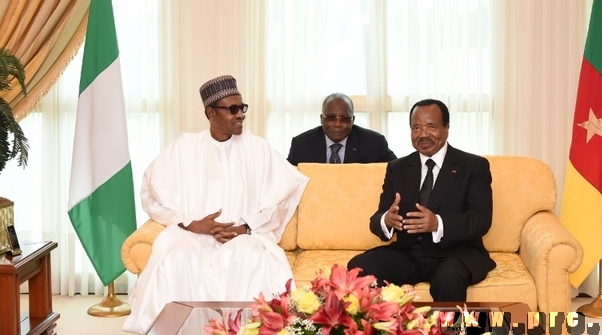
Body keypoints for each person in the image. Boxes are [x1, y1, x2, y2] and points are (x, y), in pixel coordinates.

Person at [122, 75, 309, 334]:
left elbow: (283, 196)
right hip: (195, 235)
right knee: (177, 256)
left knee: (251, 257)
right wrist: (190, 224)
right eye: (232, 109)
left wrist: (246, 228)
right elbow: (150, 192)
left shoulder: (258, 149)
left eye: (242, 108)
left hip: (244, 235)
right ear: (211, 113)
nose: (240, 115)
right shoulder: (185, 147)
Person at [347, 99, 495, 301]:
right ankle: (388, 329)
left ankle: (450, 332)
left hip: (454, 254)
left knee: (449, 278)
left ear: (446, 128)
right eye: (416, 128)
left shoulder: (473, 166)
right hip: (408, 254)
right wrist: (386, 221)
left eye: (431, 126)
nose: (423, 134)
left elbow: (480, 220)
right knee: (358, 267)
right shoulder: (397, 168)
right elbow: (378, 217)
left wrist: (437, 224)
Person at [287, 93, 397, 165]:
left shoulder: (374, 143)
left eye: (345, 118)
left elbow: (397, 172)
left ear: (352, 120)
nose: (338, 124)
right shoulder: (301, 145)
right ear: (321, 119)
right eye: (330, 117)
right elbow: (286, 180)